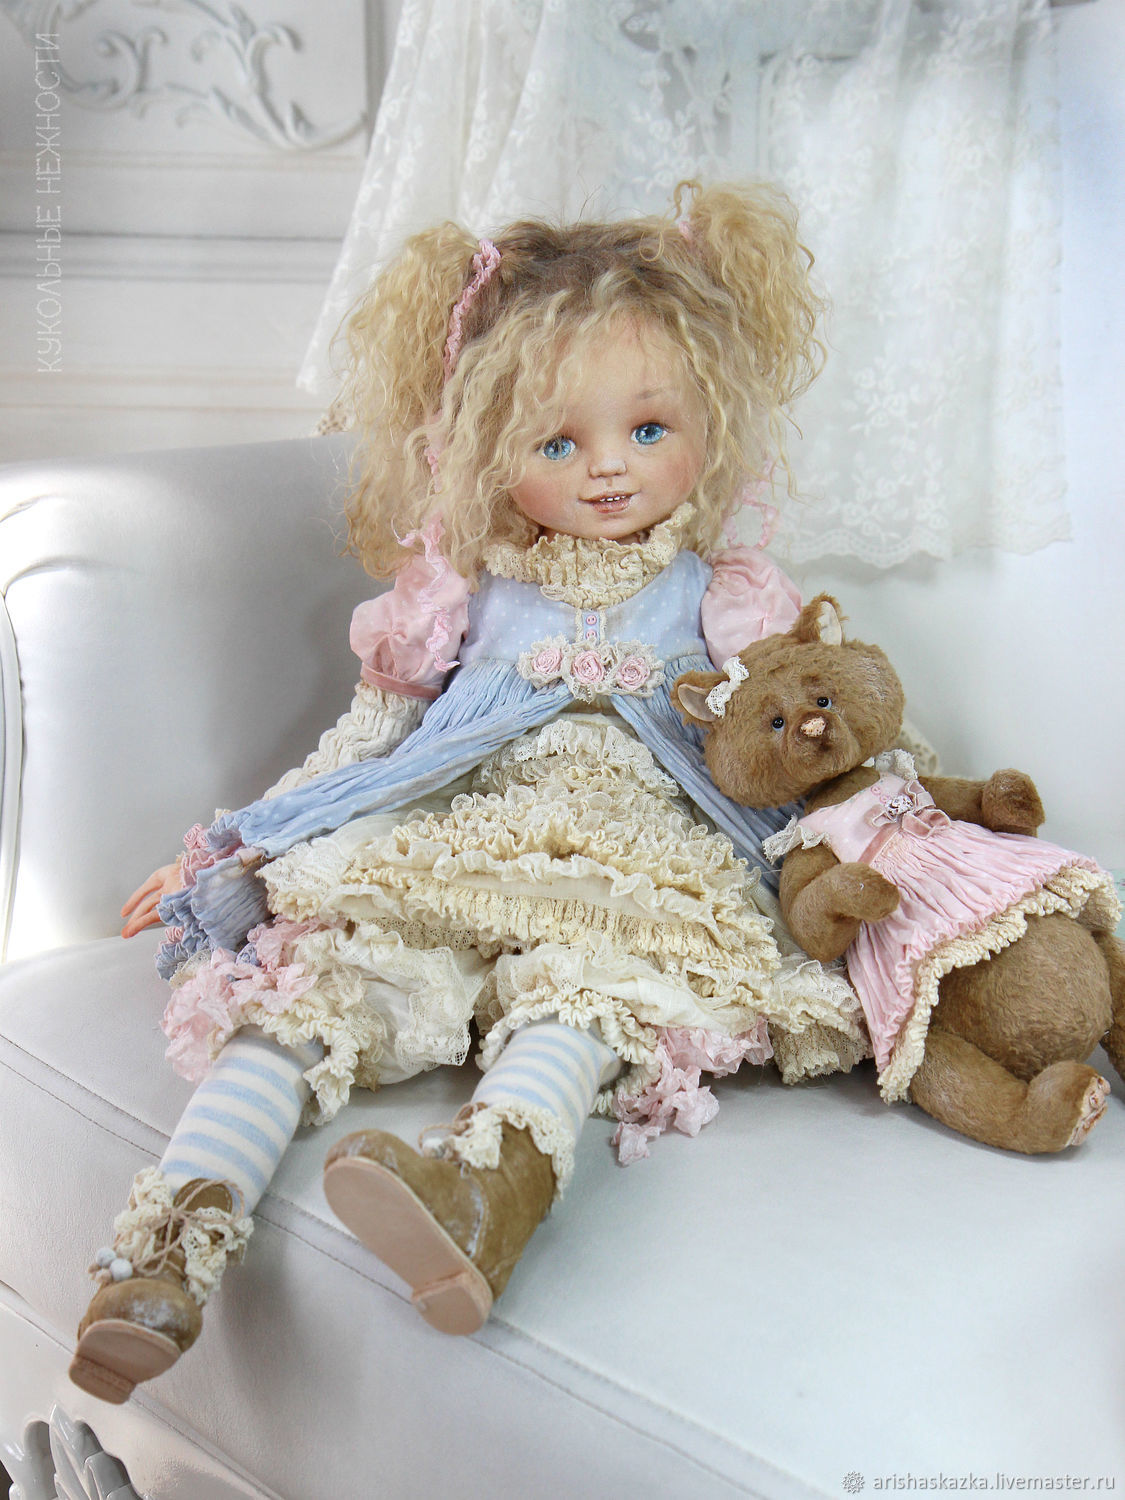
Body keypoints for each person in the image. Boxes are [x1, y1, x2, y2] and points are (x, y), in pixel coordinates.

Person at [69, 181, 867, 1404]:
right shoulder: (465, 588)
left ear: (708, 418)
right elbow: (374, 735)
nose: (610, 469)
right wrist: (241, 838)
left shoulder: (728, 594)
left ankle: (482, 1195)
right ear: (489, 448)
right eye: (559, 444)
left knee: (589, 990)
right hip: (461, 823)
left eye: (650, 428)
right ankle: (168, 1248)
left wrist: (900, 839)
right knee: (321, 983)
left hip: (640, 848)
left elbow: (807, 737)